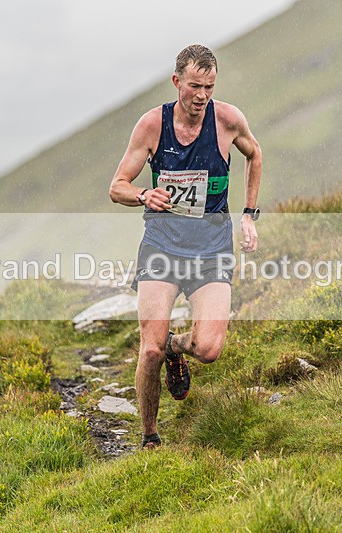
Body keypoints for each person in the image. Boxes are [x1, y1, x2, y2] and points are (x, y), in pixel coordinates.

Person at [109, 44, 262, 450]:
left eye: (209, 87)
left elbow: (255, 153)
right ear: (177, 82)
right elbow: (116, 187)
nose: (201, 96)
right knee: (150, 348)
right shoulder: (151, 126)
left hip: (212, 249)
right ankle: (149, 436)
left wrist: (249, 213)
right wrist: (144, 195)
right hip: (162, 246)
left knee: (209, 349)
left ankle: (180, 348)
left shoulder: (228, 120)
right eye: (194, 86)